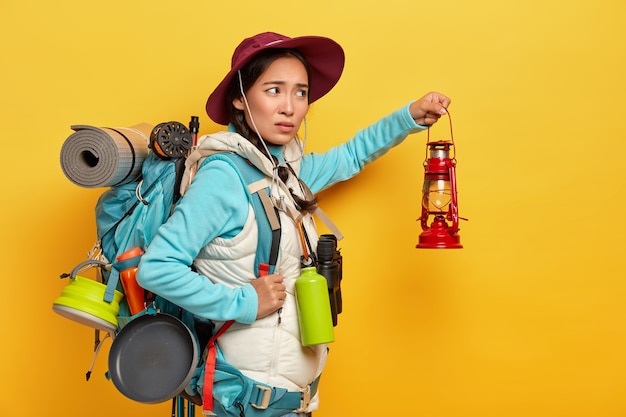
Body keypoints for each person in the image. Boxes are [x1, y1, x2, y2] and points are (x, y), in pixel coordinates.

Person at [137, 31, 450, 416]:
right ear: (239, 98)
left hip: (291, 401)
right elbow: (156, 268)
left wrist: (409, 117)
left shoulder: (286, 176)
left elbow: (351, 155)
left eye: (300, 92)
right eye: (273, 90)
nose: (290, 107)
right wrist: (245, 301)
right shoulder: (224, 179)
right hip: (248, 400)